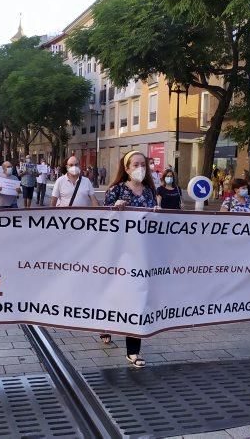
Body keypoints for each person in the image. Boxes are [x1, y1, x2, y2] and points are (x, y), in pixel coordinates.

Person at [102, 150, 156, 368]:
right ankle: (106, 324)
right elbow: (103, 221)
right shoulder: (116, 190)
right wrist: (115, 210)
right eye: (135, 164)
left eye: (143, 164)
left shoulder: (150, 191)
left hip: (142, 257)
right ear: (126, 168)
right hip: (120, 256)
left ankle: (133, 351)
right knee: (115, 295)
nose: (139, 168)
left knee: (137, 299)